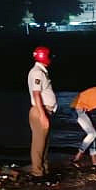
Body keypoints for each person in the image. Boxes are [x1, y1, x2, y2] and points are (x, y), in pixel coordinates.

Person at [27, 46, 57, 179]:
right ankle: (37, 173)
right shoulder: (37, 72)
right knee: (39, 144)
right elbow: (36, 94)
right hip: (40, 111)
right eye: (49, 56)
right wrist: (43, 115)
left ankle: (44, 170)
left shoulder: (41, 71)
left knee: (44, 143)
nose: (50, 59)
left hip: (44, 110)